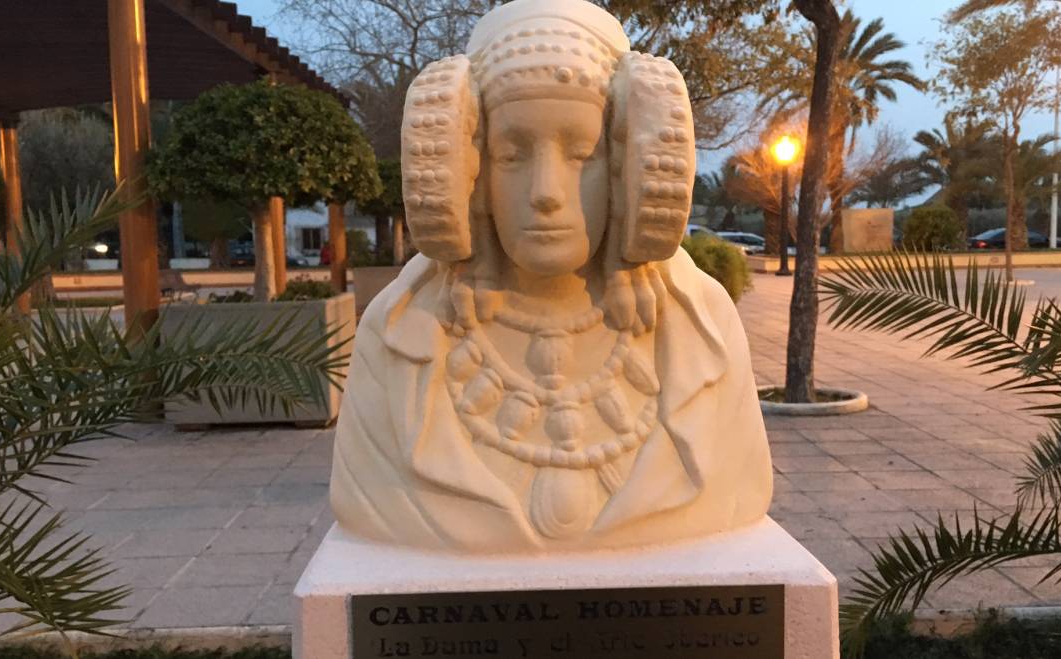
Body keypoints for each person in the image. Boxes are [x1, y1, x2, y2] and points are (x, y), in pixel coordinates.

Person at [330, 0, 772, 553]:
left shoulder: (701, 327)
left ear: (626, 166)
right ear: (468, 169)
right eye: (511, 154)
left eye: (580, 152)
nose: (545, 190)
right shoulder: (397, 335)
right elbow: (365, 501)